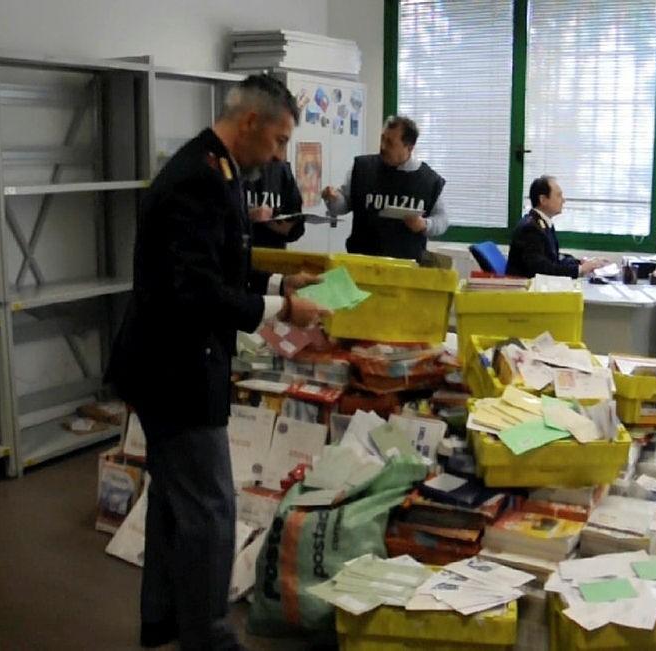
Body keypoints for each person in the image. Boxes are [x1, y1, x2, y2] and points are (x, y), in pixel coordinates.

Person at [104, 74, 328, 651]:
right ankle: (206, 636)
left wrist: (280, 279)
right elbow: (195, 290)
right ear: (251, 122)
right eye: (279, 141)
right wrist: (282, 309)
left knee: (177, 502)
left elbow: (221, 262)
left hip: (175, 363)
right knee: (209, 507)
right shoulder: (197, 179)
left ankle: (161, 621)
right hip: (173, 369)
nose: (280, 155)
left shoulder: (220, 170)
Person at [321, 115, 449, 262]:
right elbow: (343, 205)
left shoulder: (428, 180)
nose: (382, 146)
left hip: (405, 268)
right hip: (361, 261)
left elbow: (443, 219)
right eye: (382, 139)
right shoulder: (363, 168)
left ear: (409, 148)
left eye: (390, 143)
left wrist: (424, 224)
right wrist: (333, 198)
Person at [506, 175, 608, 278]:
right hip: (525, 289)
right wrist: (580, 270)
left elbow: (553, 258)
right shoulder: (530, 229)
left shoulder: (543, 223)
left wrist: (581, 263)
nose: (563, 200)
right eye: (559, 196)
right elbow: (542, 269)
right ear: (543, 200)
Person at [244, 159, 306, 249]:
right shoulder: (233, 166)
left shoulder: (281, 168)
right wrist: (248, 215)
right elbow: (218, 220)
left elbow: (296, 222)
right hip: (236, 253)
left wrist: (289, 228)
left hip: (273, 254)